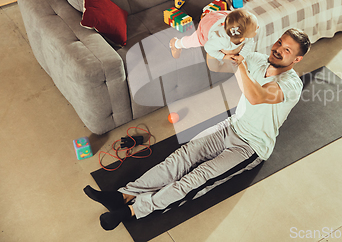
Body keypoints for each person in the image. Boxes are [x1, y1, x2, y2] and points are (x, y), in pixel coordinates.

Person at [84, 28, 311, 231]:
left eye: (287, 49)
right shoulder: (257, 60)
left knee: (196, 179)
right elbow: (214, 65)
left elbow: (256, 96)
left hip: (251, 146)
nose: (278, 49)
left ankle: (134, 210)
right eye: (280, 42)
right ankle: (124, 195)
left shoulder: (291, 85)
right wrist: (219, 46)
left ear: (297, 59)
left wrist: (240, 65)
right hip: (231, 126)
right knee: (181, 158)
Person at [169, 9, 259, 66]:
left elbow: (249, 43)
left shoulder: (243, 35)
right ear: (243, 38)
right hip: (207, 27)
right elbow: (208, 48)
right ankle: (176, 43)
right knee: (192, 41)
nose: (258, 27)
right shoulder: (222, 41)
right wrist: (223, 57)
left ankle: (208, 15)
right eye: (255, 28)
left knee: (234, 17)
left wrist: (242, 56)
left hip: (222, 19)